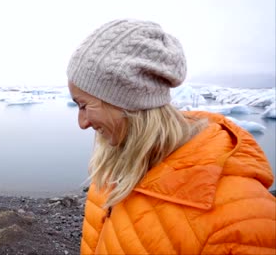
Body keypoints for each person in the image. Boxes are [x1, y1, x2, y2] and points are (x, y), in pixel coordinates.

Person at [66, 19, 276, 254]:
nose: (82, 123)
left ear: (126, 104)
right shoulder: (114, 169)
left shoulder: (242, 220)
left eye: (84, 105)